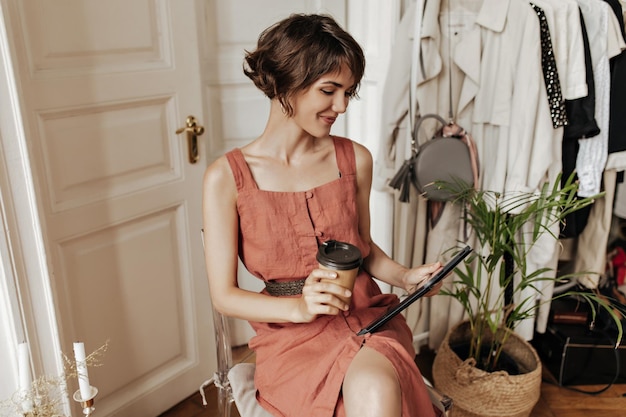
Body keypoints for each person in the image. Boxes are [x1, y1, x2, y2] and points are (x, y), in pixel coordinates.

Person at [202, 13, 443, 417]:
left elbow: (363, 249)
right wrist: (300, 308)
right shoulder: (226, 178)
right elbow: (224, 296)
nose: (342, 106)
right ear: (285, 84)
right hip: (291, 336)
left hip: (366, 316)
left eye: (348, 92)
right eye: (329, 90)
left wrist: (405, 277)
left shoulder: (355, 159)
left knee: (373, 388)